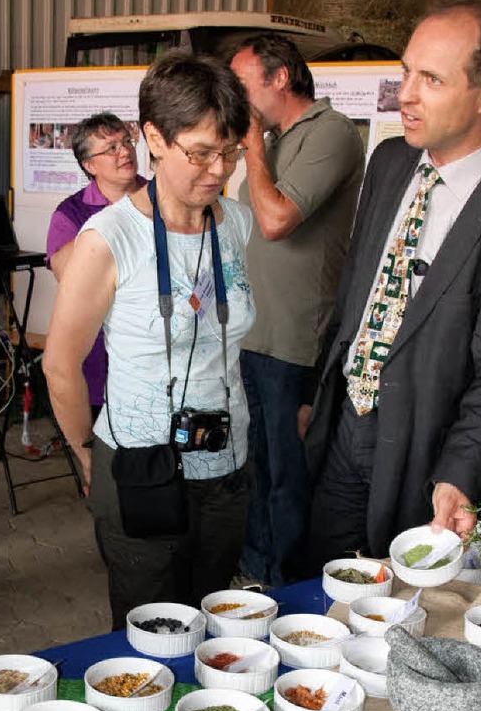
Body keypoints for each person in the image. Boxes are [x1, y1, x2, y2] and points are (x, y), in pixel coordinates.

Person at [43, 51, 255, 629]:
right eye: (203, 152)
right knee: (151, 637)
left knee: (215, 623)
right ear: (154, 138)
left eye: (231, 151)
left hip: (228, 466)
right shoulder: (109, 238)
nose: (219, 170)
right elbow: (60, 366)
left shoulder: (234, 223)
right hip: (141, 472)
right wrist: (87, 455)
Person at [302, 0, 481, 573]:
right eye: (406, 70)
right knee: (322, 595)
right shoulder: (389, 163)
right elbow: (357, 291)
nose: (403, 94)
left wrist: (460, 473)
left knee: (404, 619)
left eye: (429, 79)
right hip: (345, 429)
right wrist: (317, 392)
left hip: (426, 459)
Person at [229, 33, 364, 587]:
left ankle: (288, 593)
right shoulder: (277, 138)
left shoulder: (331, 133)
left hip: (292, 343)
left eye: (242, 83)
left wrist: (253, 146)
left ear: (280, 76)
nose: (235, 96)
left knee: (287, 474)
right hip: (253, 335)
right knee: (257, 467)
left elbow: (276, 219)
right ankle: (255, 571)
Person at [46, 113, 145, 416]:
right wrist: (115, 220)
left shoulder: (160, 198)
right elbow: (69, 275)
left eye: (126, 141)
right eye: (111, 148)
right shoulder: (70, 214)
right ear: (89, 166)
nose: (125, 151)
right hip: (99, 356)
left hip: (152, 350)